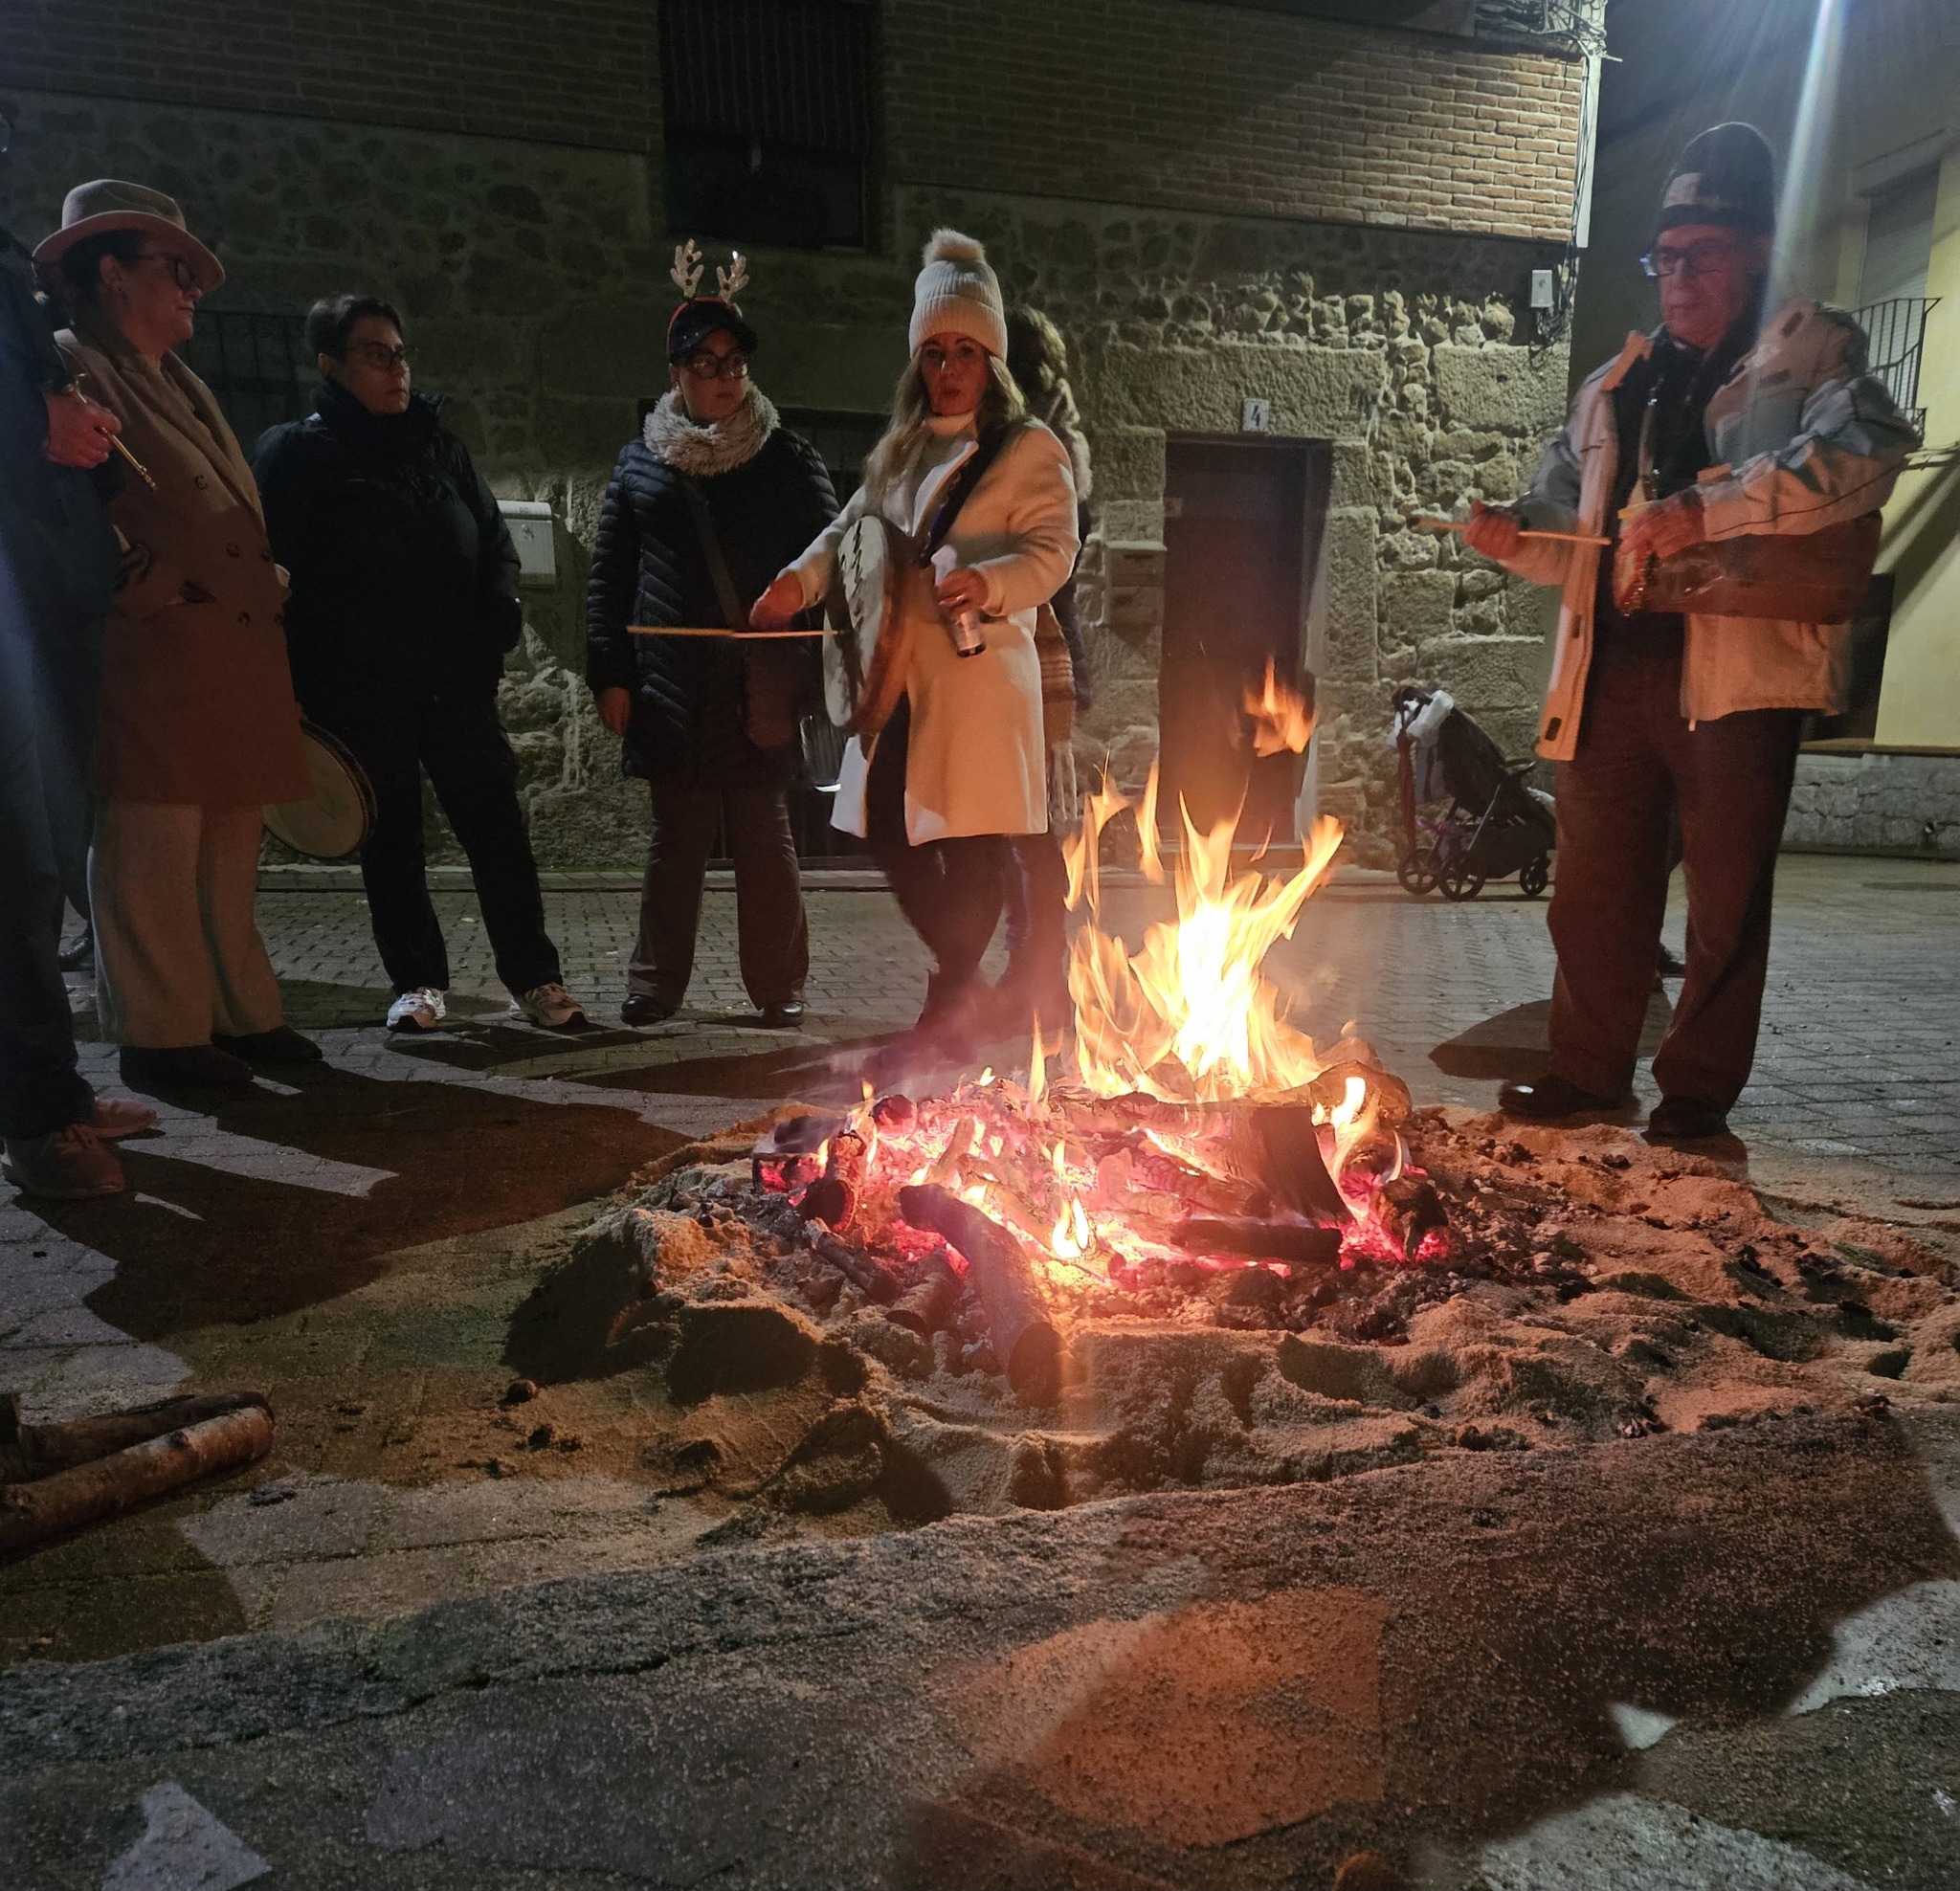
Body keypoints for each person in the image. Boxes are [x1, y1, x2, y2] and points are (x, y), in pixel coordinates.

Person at [1465, 125, 1916, 1143]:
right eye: (1664, 259)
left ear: (1753, 251)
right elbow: (1565, 527)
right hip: (1609, 673)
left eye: (1700, 256)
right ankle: (1585, 1070)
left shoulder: (1811, 353)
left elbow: (1865, 454)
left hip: (1737, 681)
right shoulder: (1616, 383)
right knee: (1591, 891)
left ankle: (1696, 1092)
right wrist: (1513, 535)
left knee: (1724, 899)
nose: (1677, 279)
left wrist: (1706, 511)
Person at [754, 231, 1079, 1054]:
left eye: (965, 349)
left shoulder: (1028, 448)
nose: (948, 367)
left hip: (978, 686)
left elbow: (1053, 550)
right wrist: (794, 584)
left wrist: (989, 582)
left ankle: (955, 996)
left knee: (969, 845)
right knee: (892, 835)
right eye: (934, 351)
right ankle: (967, 982)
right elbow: (847, 535)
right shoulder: (899, 451)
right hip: (892, 680)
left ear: (991, 359)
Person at [39, 180, 322, 1095]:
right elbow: (60, 497)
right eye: (176, 267)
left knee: (226, 843)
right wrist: (134, 581)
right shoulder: (70, 365)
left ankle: (237, 1012)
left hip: (225, 643)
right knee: (152, 841)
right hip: (155, 646)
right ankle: (161, 1034)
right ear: (113, 273)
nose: (195, 286)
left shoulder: (178, 379)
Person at [252, 294, 585, 1034]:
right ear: (330, 365)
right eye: (376, 354)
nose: (396, 369)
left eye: (400, 354)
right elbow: (273, 569)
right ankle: (418, 984)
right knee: (393, 840)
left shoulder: (440, 449)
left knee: (497, 832)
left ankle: (535, 978)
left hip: (455, 682)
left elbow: (494, 543)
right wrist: (296, 675)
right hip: (359, 689)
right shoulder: (299, 455)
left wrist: (497, 615)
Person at [585, 254, 836, 1027]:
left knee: (765, 840)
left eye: (733, 363)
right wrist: (610, 674)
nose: (724, 377)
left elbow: (833, 560)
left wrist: (811, 669)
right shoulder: (641, 464)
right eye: (706, 364)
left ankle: (779, 986)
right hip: (670, 687)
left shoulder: (787, 458)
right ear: (677, 374)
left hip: (757, 687)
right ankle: (655, 985)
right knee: (676, 843)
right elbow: (610, 576)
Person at [0, 129, 157, 1196]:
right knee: (15, 865)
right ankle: (36, 1116)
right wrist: (34, 420)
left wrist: (72, 435)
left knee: (44, 857)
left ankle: (47, 1086)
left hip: (44, 587)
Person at [999, 303, 1094, 1028]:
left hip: (1036, 655)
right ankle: (1032, 969)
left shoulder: (1042, 450)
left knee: (1029, 830)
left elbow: (1052, 567)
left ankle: (1039, 973)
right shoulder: (1058, 440)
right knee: (1025, 830)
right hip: (1030, 656)